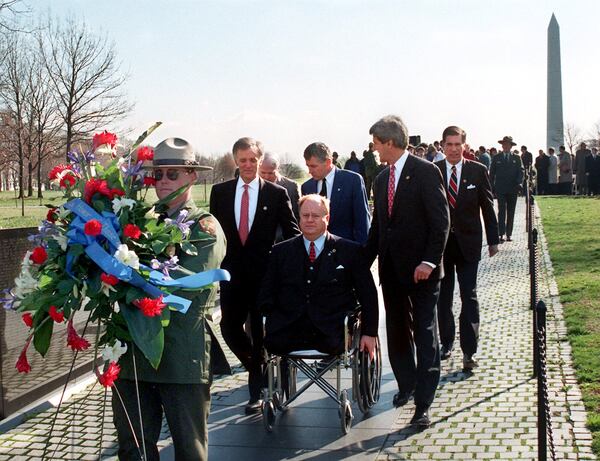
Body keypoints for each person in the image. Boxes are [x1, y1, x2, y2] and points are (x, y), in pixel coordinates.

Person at [113, 137, 226, 461]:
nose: (163, 182)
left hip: (180, 354)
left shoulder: (204, 227)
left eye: (172, 174)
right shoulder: (134, 222)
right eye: (157, 175)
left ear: (192, 176)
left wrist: (124, 278)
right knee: (133, 449)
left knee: (189, 450)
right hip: (133, 353)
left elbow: (183, 282)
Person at [365, 115, 450, 428]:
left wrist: (429, 261)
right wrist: (360, 263)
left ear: (389, 142)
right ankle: (407, 385)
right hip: (391, 272)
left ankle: (424, 404)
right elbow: (379, 229)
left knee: (425, 335)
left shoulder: (426, 172)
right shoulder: (380, 179)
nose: (373, 149)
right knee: (398, 333)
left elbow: (441, 221)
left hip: (422, 272)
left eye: (376, 144)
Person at [210, 137, 299, 414]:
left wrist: (285, 267)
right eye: (243, 160)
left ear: (260, 161)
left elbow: (292, 234)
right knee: (229, 329)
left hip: (265, 277)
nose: (248, 165)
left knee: (260, 332)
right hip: (232, 276)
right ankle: (259, 367)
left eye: (253, 160)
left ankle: (256, 391)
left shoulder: (275, 194)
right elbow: (214, 235)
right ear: (235, 161)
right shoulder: (220, 192)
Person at [259, 194, 378, 359]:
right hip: (288, 332)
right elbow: (266, 293)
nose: (309, 220)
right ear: (298, 218)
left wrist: (369, 333)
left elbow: (368, 296)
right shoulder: (281, 252)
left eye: (315, 216)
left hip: (332, 334)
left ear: (327, 218)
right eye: (305, 215)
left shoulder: (350, 251)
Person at [434, 126, 499, 371]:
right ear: (442, 146)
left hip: (469, 244)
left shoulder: (477, 171)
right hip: (440, 248)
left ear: (464, 145)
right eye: (448, 144)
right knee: (443, 297)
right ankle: (447, 342)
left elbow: (488, 207)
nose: (452, 149)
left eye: (457, 144)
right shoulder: (434, 172)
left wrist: (493, 240)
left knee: (468, 296)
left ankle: (469, 351)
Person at [301, 142, 370, 244]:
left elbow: (362, 222)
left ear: (328, 162)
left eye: (313, 166)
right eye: (308, 166)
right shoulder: (307, 187)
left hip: (346, 250)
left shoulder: (352, 181)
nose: (309, 171)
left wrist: (362, 254)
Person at [489, 136, 523, 242]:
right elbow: (492, 173)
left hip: (513, 188)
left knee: (511, 212)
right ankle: (501, 233)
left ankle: (509, 234)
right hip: (500, 189)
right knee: (501, 210)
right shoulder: (497, 157)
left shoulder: (517, 158)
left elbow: (520, 172)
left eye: (508, 144)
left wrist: (519, 182)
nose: (506, 146)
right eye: (504, 144)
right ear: (502, 145)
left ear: (511, 146)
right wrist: (491, 187)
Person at [258, 152, 301, 220]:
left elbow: (297, 215)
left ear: (277, 169)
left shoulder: (291, 187)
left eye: (271, 173)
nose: (266, 176)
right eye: (263, 173)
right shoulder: (253, 185)